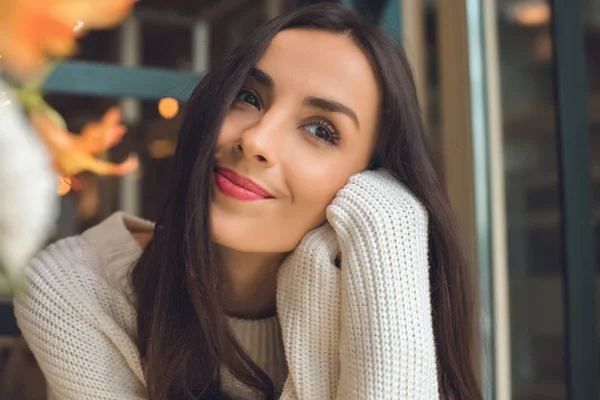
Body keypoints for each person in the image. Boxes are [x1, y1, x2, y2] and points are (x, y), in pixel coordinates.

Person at [14, 3, 481, 400]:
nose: (257, 139)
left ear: (370, 182)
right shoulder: (74, 289)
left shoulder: (367, 279)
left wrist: (389, 230)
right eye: (248, 97)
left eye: (321, 130)